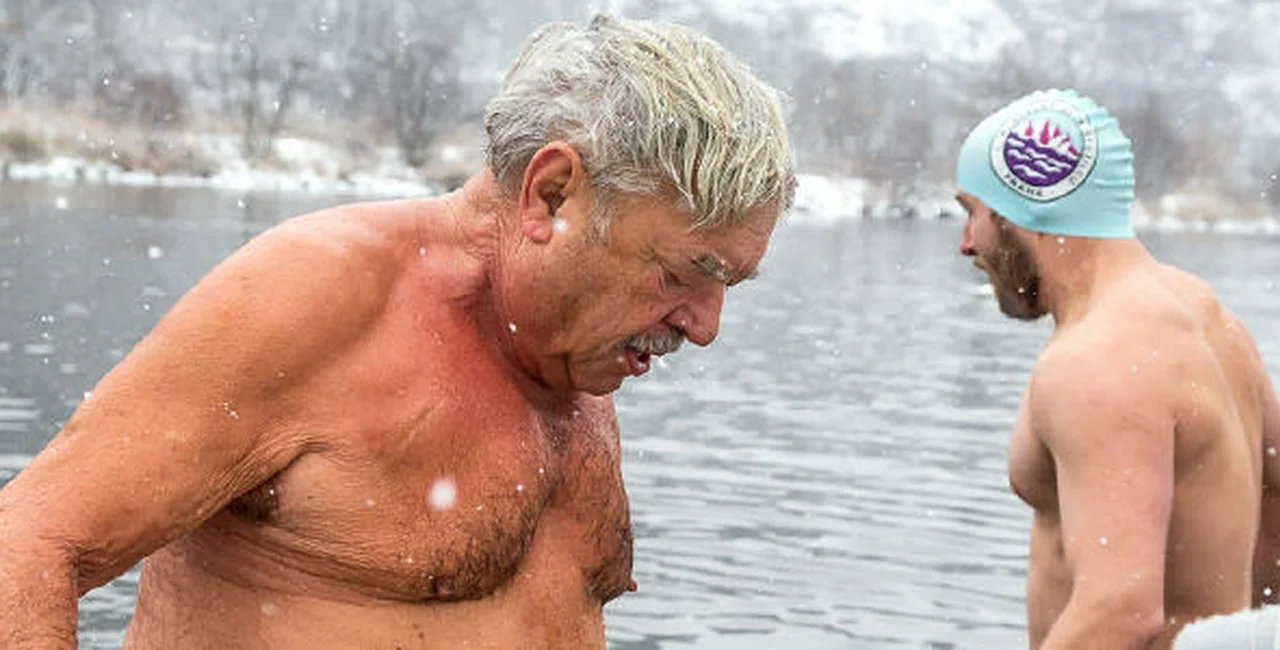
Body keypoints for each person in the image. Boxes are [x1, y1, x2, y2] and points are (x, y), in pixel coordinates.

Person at [0, 15, 796, 649]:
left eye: (729, 281)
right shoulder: (317, 296)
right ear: (552, 196)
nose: (705, 328)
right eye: (684, 272)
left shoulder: (572, 354)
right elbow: (28, 545)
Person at [954, 88, 1280, 649]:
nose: (965, 244)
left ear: (1023, 209)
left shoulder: (1096, 362)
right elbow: (1276, 495)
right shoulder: (1203, 314)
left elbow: (1120, 611)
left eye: (973, 213)